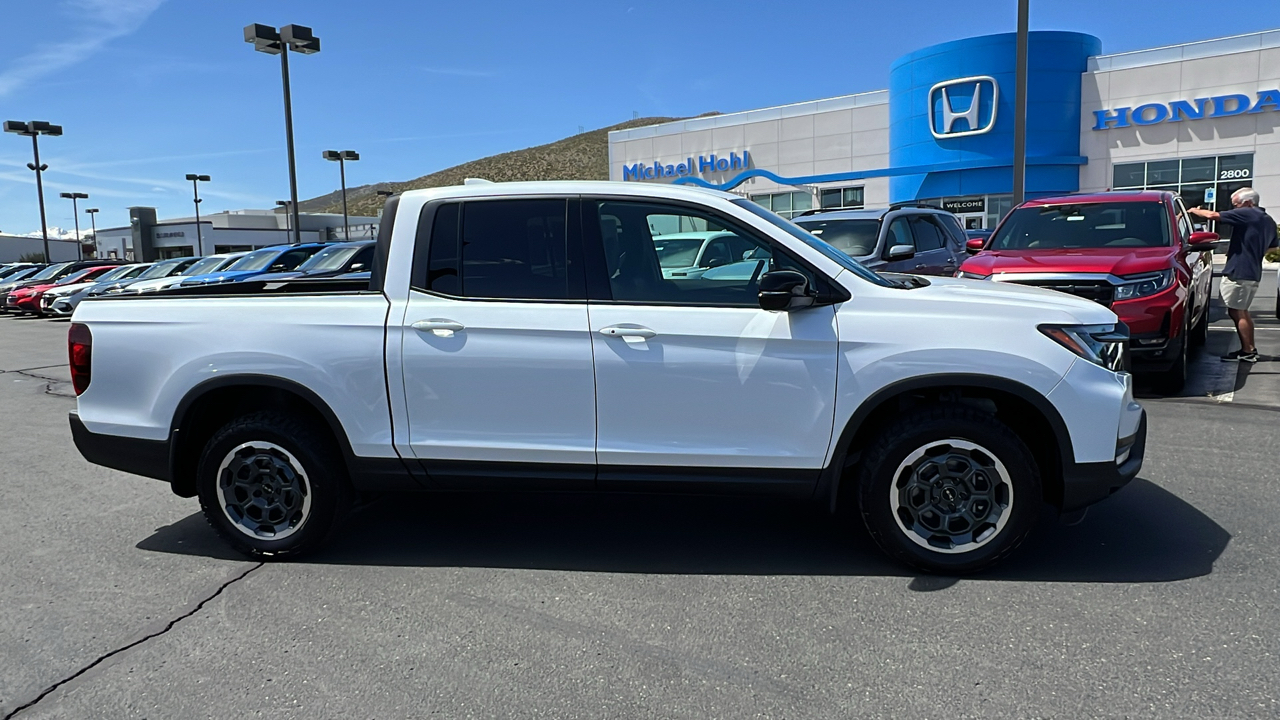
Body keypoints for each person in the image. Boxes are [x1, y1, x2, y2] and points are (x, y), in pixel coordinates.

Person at [1189, 187, 1278, 363]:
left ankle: (1248, 351)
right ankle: (1249, 349)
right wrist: (1252, 249)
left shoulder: (1248, 213)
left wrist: (1193, 211)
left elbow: (1213, 216)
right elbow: (1273, 247)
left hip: (1240, 270)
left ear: (1247, 203)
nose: (1235, 209)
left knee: (1237, 311)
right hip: (1252, 271)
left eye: (1236, 205)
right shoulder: (1268, 220)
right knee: (1241, 310)